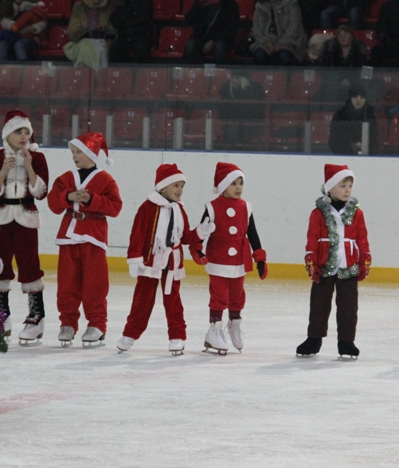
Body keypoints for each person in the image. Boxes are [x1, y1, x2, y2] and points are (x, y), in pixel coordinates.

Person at [116, 164, 208, 356]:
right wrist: (134, 258)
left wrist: (200, 232)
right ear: (163, 187)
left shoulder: (179, 209)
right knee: (142, 300)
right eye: (175, 186)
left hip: (172, 262)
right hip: (151, 261)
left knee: (173, 301)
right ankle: (130, 334)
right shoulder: (147, 207)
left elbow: (184, 237)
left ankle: (177, 336)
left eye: (182, 186)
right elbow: (138, 233)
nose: (180, 190)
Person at [47, 132, 123, 347]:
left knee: (95, 284)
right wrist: (68, 197)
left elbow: (115, 207)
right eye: (73, 152)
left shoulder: (105, 179)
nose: (75, 156)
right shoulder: (66, 178)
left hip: (93, 237)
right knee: (67, 283)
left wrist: (92, 199)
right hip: (68, 238)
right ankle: (68, 323)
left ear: (91, 153)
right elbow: (53, 203)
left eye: (79, 152)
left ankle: (97, 324)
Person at [0, 110, 49, 344]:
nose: (23, 136)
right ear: (7, 134)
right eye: (18, 132)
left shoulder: (38, 158)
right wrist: (2, 171)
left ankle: (36, 316)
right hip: (0, 217)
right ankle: (1, 316)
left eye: (26, 132)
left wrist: (30, 167)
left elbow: (41, 193)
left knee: (30, 265)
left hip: (27, 217)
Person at [190, 162, 268, 354]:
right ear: (223, 185)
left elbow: (253, 233)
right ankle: (214, 330)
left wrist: (259, 257)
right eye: (233, 183)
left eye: (241, 183)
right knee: (219, 295)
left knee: (237, 294)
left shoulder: (246, 207)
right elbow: (201, 232)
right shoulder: (212, 207)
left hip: (239, 259)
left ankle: (234, 324)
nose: (238, 187)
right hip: (217, 257)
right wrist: (197, 249)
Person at [296, 164, 370, 358]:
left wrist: (364, 260)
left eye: (349, 186)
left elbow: (362, 239)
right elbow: (311, 239)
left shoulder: (357, 213)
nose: (347, 190)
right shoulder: (318, 213)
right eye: (342, 185)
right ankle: (314, 339)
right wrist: (311, 261)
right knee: (319, 304)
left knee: (348, 306)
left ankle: (346, 342)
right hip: (324, 265)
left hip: (348, 266)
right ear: (329, 188)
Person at [183, 0, 240, 64]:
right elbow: (188, 20)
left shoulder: (231, 6)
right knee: (191, 45)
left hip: (221, 39)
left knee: (219, 47)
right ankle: (190, 75)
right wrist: (198, 6)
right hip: (201, 37)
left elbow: (231, 28)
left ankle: (220, 76)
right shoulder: (202, 2)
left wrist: (213, 40)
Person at [251, 0, 307, 66]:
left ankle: (288, 79)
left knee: (284, 56)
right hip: (267, 42)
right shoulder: (259, 7)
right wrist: (266, 42)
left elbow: (294, 27)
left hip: (289, 42)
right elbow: (256, 28)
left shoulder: (292, 5)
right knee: (259, 55)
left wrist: (281, 43)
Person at [64, 0, 115, 72]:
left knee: (101, 48)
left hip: (100, 41)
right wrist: (87, 29)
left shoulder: (107, 9)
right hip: (82, 40)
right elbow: (72, 30)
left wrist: (107, 39)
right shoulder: (79, 7)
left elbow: (112, 31)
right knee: (86, 47)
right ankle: (86, 76)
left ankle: (98, 78)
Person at [106, 0, 153, 64]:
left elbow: (140, 19)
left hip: (141, 36)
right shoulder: (118, 3)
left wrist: (127, 10)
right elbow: (115, 21)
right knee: (114, 53)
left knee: (141, 53)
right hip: (124, 37)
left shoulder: (145, 0)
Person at [218, 69, 266, 147]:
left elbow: (259, 110)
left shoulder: (256, 89)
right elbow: (223, 110)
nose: (233, 80)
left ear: (244, 79)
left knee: (248, 128)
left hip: (250, 121)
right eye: (232, 78)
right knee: (232, 129)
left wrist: (244, 91)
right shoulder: (225, 88)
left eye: (236, 78)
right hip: (231, 122)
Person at [328, 84, 378, 155]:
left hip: (367, 158)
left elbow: (375, 140)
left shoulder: (370, 116)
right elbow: (333, 141)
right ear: (350, 98)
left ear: (365, 99)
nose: (359, 100)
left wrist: (366, 146)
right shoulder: (340, 116)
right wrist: (350, 146)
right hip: (344, 156)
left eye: (362, 97)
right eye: (355, 97)